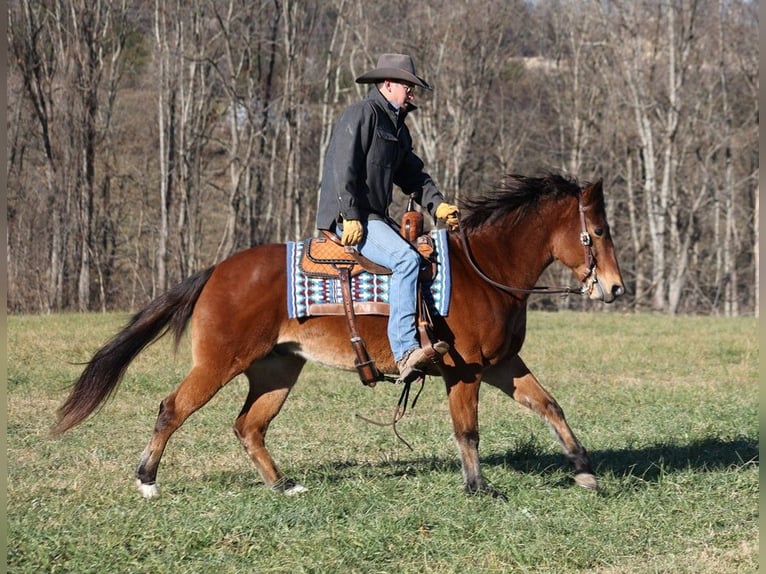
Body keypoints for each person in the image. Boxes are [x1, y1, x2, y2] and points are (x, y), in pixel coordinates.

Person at [316, 53, 459, 383]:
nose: (412, 92)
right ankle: (405, 351)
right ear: (389, 84)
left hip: (373, 218)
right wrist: (350, 215)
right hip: (352, 218)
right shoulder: (362, 114)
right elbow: (343, 166)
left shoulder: (397, 127)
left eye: (413, 88)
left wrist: (437, 205)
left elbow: (414, 176)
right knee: (407, 261)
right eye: (408, 86)